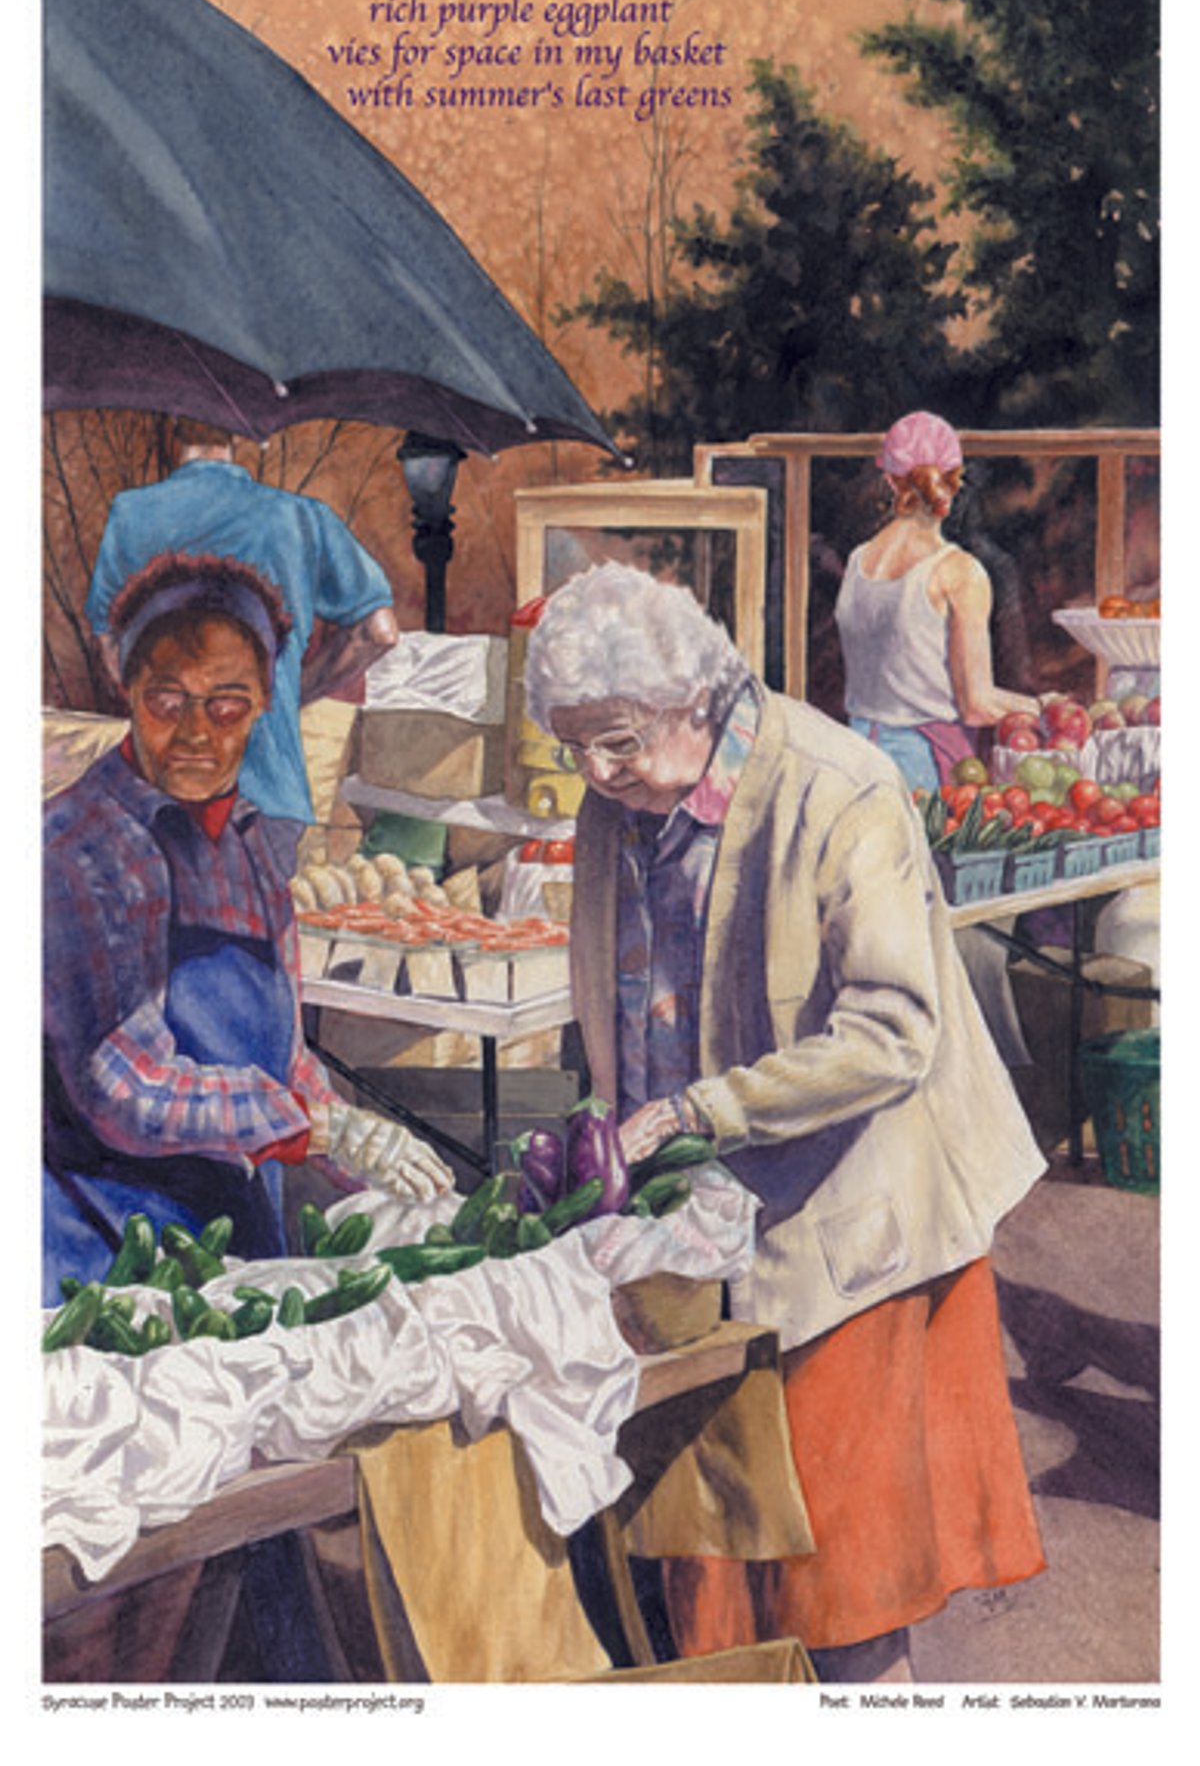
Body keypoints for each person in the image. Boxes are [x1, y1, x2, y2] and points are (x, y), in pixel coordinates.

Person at [524, 562, 1047, 1684]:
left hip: (854, 1237)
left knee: (844, 1601)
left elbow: (894, 1030)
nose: (596, 772)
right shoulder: (618, 797)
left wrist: (699, 1111)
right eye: (577, 746)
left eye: (614, 740)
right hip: (702, 1239)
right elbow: (619, 1002)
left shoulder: (840, 787)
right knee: (712, 1591)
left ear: (691, 700)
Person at [44, 552, 451, 1305]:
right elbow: (120, 1086)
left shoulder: (251, 848)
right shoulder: (78, 848)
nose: (196, 731)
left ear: (266, 698)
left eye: (227, 704)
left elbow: (285, 1058)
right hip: (104, 1251)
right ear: (128, 690)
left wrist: (356, 1143)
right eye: (168, 700)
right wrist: (317, 1131)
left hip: (233, 1240)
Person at [85, 417, 399, 859]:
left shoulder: (131, 514)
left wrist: (164, 704)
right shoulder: (300, 517)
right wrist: (290, 692)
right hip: (269, 790)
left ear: (173, 425)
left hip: (155, 789)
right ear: (243, 432)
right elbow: (380, 631)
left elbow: (109, 646)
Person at [834, 410, 1039, 794]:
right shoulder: (959, 572)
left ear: (891, 480)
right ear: (955, 481)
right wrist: (1042, 709)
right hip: (925, 767)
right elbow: (977, 704)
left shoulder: (858, 561)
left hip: (856, 758)